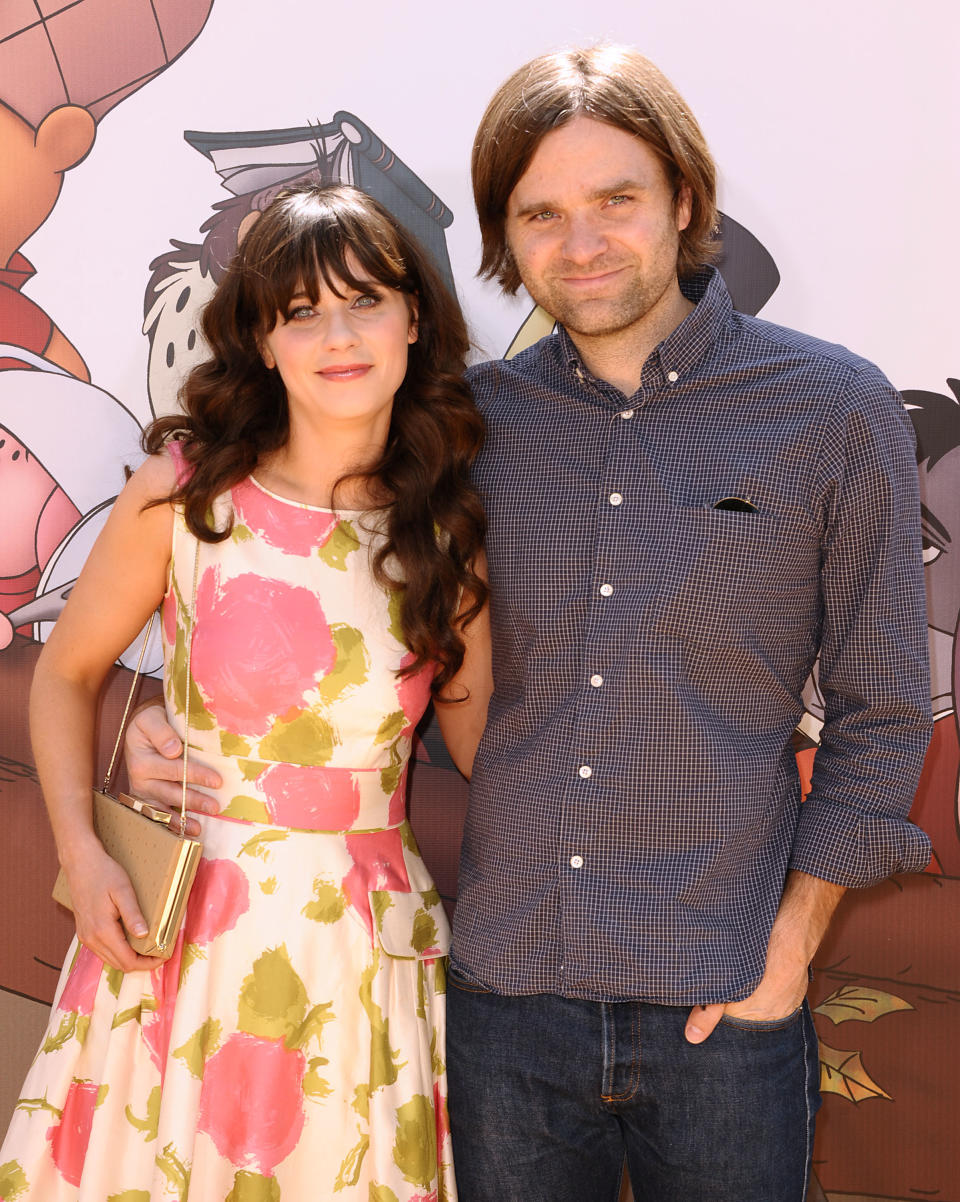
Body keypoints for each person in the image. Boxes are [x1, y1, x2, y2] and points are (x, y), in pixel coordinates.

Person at [121, 45, 932, 1202]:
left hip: (727, 1004)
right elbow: (302, 581)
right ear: (505, 239)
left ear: (686, 202)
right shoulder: (459, 427)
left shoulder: (834, 409)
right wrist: (163, 713)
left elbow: (887, 711)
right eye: (541, 213)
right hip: (503, 1005)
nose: (582, 242)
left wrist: (792, 944)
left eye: (616, 201)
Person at [0, 182, 489, 1200]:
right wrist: (83, 853)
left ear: (414, 322)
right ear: (262, 341)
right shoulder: (188, 492)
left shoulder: (445, 529)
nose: (338, 335)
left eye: (366, 301)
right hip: (182, 926)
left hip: (361, 943)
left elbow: (489, 751)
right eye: (301, 311)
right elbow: (65, 672)